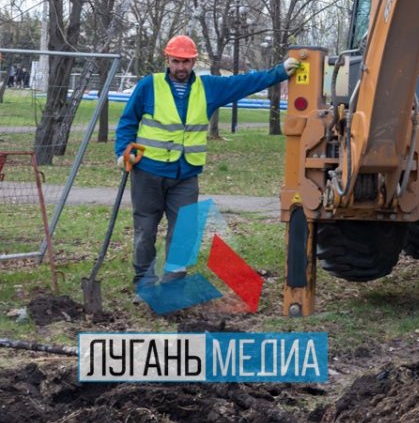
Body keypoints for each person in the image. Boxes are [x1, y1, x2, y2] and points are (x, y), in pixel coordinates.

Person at [115, 34, 299, 287]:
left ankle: (173, 282)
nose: (181, 67)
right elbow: (128, 121)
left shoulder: (208, 87)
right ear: (167, 59)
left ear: (194, 62)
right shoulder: (149, 85)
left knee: (184, 232)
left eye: (187, 62)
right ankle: (143, 282)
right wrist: (121, 151)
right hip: (148, 171)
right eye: (176, 61)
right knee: (145, 229)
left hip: (185, 175)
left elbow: (244, 82)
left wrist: (279, 72)